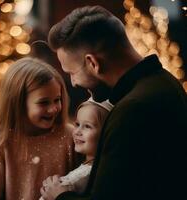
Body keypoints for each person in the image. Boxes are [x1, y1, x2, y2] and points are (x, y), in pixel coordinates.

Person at [40, 5, 187, 200]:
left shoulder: (132, 109)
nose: (74, 83)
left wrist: (59, 196)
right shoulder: (165, 82)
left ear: (93, 63)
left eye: (72, 73)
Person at [0, 57, 78, 200]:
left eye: (57, 99)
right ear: (18, 103)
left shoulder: (71, 136)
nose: (53, 109)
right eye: (43, 102)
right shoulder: (2, 145)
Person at [39, 98, 113, 200]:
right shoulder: (89, 168)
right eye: (77, 124)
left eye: (87, 126)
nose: (77, 131)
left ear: (106, 133)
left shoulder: (83, 177)